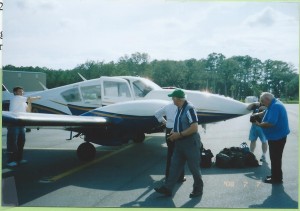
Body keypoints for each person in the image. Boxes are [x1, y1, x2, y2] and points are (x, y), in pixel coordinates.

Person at [154, 89, 203, 198]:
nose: (172, 100)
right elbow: (179, 123)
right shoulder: (179, 108)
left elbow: (194, 128)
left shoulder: (189, 109)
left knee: (194, 168)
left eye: (173, 98)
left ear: (177, 99)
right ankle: (168, 188)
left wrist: (179, 134)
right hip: (180, 142)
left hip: (190, 142)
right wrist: (173, 132)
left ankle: (198, 189)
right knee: (174, 166)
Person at [255, 92, 290, 184]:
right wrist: (260, 114)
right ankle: (276, 175)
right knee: (275, 158)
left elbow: (271, 123)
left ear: (267, 99)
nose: (262, 103)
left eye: (263, 101)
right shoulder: (274, 103)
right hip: (277, 136)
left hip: (277, 137)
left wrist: (259, 124)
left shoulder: (275, 106)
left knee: (275, 158)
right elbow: (267, 110)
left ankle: (277, 179)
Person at [6, 86, 41, 167]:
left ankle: (19, 159)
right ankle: (9, 161)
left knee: (21, 143)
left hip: (21, 123)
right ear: (15, 93)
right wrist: (38, 97)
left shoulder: (23, 102)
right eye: (19, 91)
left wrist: (29, 102)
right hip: (13, 122)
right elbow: (30, 98)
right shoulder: (15, 98)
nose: (21, 93)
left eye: (22, 91)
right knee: (12, 143)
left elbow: (28, 111)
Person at [155, 103, 186, 183]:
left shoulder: (167, 106)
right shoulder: (184, 106)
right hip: (178, 131)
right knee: (180, 154)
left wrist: (164, 122)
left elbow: (157, 114)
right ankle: (180, 177)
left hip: (169, 130)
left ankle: (168, 176)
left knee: (170, 154)